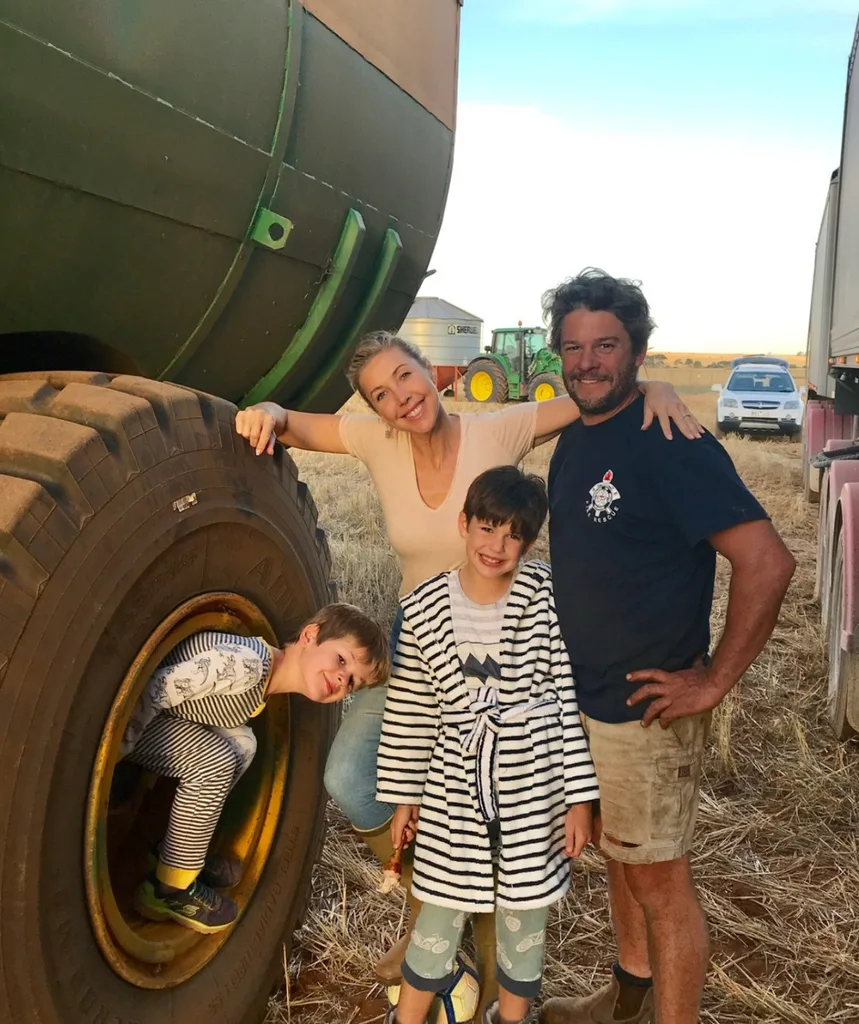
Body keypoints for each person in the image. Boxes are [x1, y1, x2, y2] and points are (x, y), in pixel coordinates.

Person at [234, 330, 699, 1005]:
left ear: (430, 369)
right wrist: (267, 412)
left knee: (497, 798)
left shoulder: (497, 430)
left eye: (405, 376)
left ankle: (483, 952)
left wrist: (653, 385)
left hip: (502, 650)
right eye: (380, 394)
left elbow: (589, 393)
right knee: (350, 776)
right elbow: (295, 424)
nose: (400, 398)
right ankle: (431, 906)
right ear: (374, 407)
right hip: (420, 641)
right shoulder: (376, 441)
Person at [538, 269, 796, 1024]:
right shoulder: (575, 441)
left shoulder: (671, 443)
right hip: (586, 702)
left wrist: (712, 681)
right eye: (573, 347)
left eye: (606, 345)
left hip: (647, 710)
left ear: (638, 351)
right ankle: (627, 1000)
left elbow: (767, 563)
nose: (587, 362)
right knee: (620, 855)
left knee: (659, 882)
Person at [376, 467, 599, 1024]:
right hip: (453, 782)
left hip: (534, 778)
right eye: (487, 528)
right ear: (464, 523)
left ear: (530, 542)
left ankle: (511, 1018)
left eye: (514, 536)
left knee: (526, 916)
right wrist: (406, 798)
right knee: (439, 911)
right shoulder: (424, 608)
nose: (496, 547)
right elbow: (411, 711)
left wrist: (579, 798)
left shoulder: (546, 599)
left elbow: (565, 702)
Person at [121, 603, 389, 934]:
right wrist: (117, 751)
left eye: (352, 682)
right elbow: (157, 688)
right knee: (216, 759)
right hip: (132, 721)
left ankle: (176, 850)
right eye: (342, 660)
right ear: (310, 635)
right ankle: (167, 891)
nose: (341, 678)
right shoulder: (245, 666)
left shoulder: (261, 678)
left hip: (161, 720)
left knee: (243, 743)